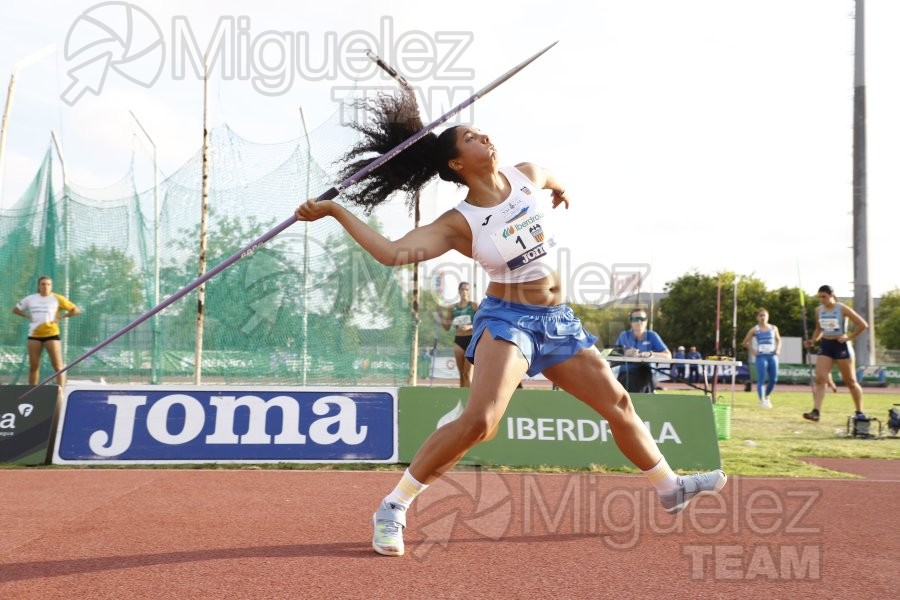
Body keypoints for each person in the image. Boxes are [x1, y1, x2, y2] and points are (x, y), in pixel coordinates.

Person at [294, 90, 725, 556]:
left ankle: (669, 487)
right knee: (481, 421)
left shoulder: (526, 176)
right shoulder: (459, 222)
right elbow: (392, 253)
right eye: (471, 138)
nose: (484, 136)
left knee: (618, 403)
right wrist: (336, 212)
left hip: (558, 321)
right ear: (458, 164)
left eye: (482, 132)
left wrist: (559, 189)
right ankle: (393, 507)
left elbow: (551, 177)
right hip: (509, 320)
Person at [802, 285, 867, 422]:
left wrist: (849, 337)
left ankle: (860, 412)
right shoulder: (819, 310)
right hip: (826, 344)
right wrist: (813, 340)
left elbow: (862, 324)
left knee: (850, 382)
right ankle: (816, 412)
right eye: (819, 297)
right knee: (820, 378)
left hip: (841, 345)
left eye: (824, 296)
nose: (821, 299)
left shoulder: (841, 308)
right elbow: (819, 329)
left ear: (832, 295)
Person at [12, 276, 81, 387]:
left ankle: (61, 392)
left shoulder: (57, 298)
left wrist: (61, 317)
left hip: (51, 334)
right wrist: (27, 316)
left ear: (51, 286)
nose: (46, 286)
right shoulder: (30, 299)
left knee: (58, 366)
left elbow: (76, 310)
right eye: (43, 284)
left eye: (48, 284)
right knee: (34, 366)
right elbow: (15, 309)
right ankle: (32, 391)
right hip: (34, 335)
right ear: (39, 286)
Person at [613, 308, 672, 393]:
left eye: (642, 319)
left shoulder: (652, 336)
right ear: (630, 321)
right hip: (626, 375)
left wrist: (650, 354)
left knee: (644, 380)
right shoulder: (623, 335)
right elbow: (608, 354)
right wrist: (625, 353)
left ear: (646, 322)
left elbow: (668, 356)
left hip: (644, 375)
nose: (639, 322)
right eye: (636, 319)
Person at [439, 282, 479, 387]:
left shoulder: (474, 306)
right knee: (461, 373)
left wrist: (470, 326)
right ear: (459, 291)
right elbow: (447, 327)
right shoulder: (452, 308)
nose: (464, 292)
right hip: (458, 340)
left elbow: (482, 323)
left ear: (469, 292)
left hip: (470, 340)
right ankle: (461, 397)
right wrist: (440, 316)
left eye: (466, 290)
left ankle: (470, 399)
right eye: (462, 290)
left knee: (467, 373)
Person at [742, 308, 782, 408]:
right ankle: (762, 400)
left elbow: (779, 340)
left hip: (772, 356)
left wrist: (778, 349)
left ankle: (767, 396)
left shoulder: (773, 328)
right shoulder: (755, 329)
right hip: (761, 357)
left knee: (774, 379)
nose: (763, 317)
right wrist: (753, 351)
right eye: (760, 315)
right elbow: (745, 342)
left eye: (764, 315)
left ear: (768, 317)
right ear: (757, 318)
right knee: (761, 379)